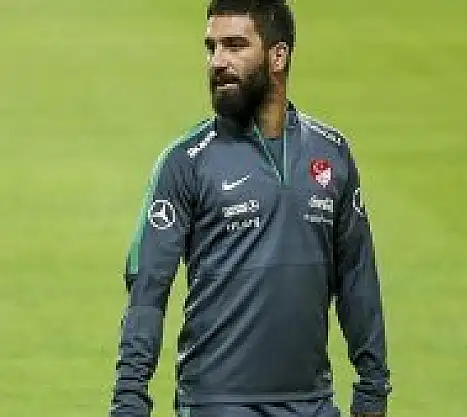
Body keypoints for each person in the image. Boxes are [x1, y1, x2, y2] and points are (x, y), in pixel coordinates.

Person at [108, 1, 391, 416]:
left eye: (235, 46)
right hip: (216, 404)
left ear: (279, 56)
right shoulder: (186, 162)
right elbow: (148, 289)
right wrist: (129, 400)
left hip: (311, 403)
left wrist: (372, 387)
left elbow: (357, 275)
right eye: (211, 48)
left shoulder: (331, 153)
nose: (217, 62)